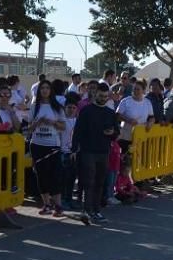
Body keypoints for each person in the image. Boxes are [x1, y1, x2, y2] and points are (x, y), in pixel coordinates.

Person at [72, 83, 118, 222]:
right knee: (88, 182)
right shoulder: (86, 111)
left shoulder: (110, 113)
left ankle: (96, 211)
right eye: (100, 95)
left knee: (99, 182)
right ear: (95, 94)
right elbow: (77, 131)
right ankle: (87, 210)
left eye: (105, 96)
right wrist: (74, 149)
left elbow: (116, 132)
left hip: (104, 151)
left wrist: (112, 133)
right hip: (87, 151)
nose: (103, 98)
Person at [29, 80, 66, 217]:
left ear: (51, 90)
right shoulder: (34, 106)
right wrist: (38, 122)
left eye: (47, 88)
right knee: (41, 176)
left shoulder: (57, 107)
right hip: (37, 144)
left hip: (53, 145)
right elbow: (29, 128)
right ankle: (46, 204)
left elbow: (63, 127)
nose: (44, 90)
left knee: (55, 176)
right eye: (42, 88)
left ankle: (58, 205)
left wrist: (52, 122)